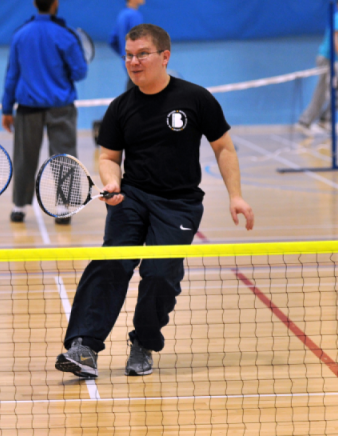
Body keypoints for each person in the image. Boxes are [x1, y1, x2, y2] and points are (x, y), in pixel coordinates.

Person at [55, 24, 254, 379]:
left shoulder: (196, 99)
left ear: (164, 56)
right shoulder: (120, 108)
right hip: (132, 197)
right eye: (129, 56)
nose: (133, 62)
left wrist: (235, 195)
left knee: (161, 275)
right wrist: (112, 182)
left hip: (179, 204)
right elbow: (108, 157)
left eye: (142, 54)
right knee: (111, 264)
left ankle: (143, 343)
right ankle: (83, 347)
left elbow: (223, 147)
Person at [1, 0, 88, 225]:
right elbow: (80, 72)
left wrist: (6, 109)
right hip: (61, 107)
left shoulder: (20, 35)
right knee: (64, 156)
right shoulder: (66, 35)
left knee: (24, 157)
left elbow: (12, 75)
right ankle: (63, 208)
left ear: (34, 3)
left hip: (27, 109)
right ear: (55, 4)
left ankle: (19, 207)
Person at [296, 0, 338, 135]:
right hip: (327, 59)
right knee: (322, 92)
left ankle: (324, 119)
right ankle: (305, 121)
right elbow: (335, 40)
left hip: (333, 61)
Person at [108, 0, 146, 92]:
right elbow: (138, 41)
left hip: (127, 61)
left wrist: (123, 54)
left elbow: (112, 40)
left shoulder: (122, 15)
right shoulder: (134, 15)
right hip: (137, 63)